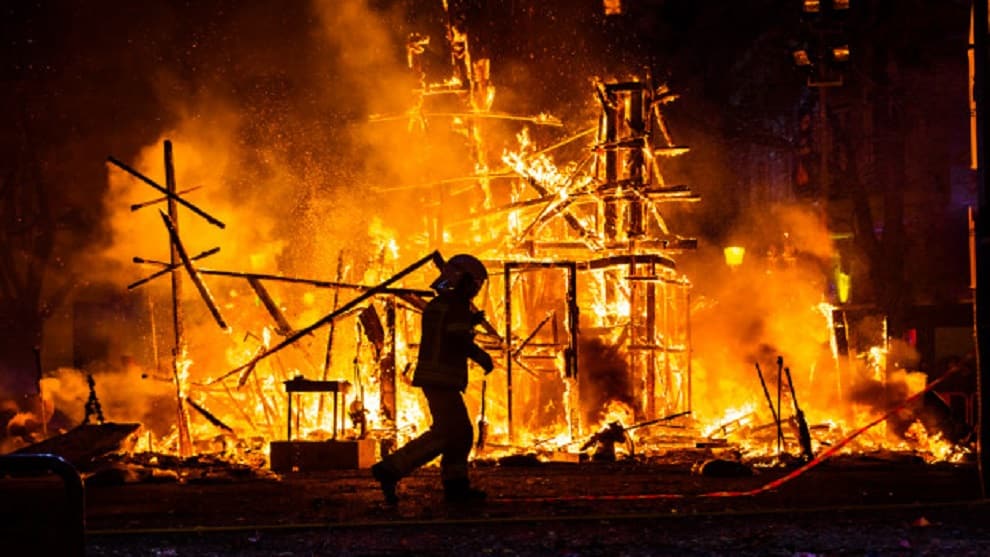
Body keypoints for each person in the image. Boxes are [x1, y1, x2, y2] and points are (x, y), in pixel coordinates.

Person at [371, 254, 494, 505]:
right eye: (473, 284)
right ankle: (392, 469)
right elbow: (458, 340)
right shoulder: (456, 306)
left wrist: (468, 322)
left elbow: (446, 332)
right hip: (444, 379)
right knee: (452, 433)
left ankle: (455, 488)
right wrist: (482, 356)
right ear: (462, 281)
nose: (474, 290)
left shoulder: (439, 305)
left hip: (433, 378)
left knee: (456, 433)